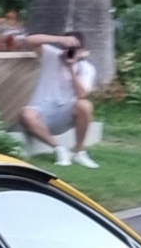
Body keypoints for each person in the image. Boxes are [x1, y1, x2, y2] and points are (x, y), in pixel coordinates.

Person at [18, 31, 99, 168]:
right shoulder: (52, 55)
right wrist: (59, 39)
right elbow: (29, 40)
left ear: (82, 51)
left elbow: (82, 94)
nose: (69, 52)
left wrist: (72, 68)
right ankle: (60, 149)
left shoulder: (87, 68)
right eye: (67, 48)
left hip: (65, 115)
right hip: (42, 111)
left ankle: (80, 152)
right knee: (27, 114)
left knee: (85, 105)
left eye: (74, 49)